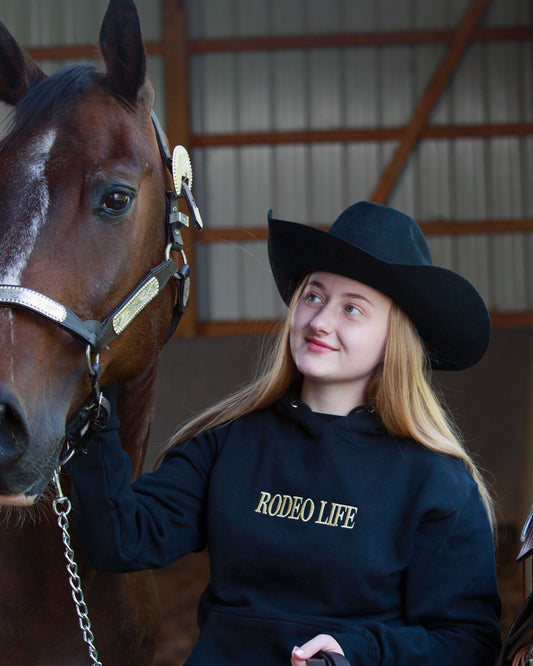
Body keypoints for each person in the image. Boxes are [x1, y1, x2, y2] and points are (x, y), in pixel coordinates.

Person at [67, 201, 502, 666]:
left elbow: (468, 643)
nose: (320, 322)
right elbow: (121, 539)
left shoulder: (437, 482)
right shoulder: (226, 441)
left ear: (393, 341)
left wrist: (358, 653)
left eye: (353, 309)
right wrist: (94, 399)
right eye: (314, 296)